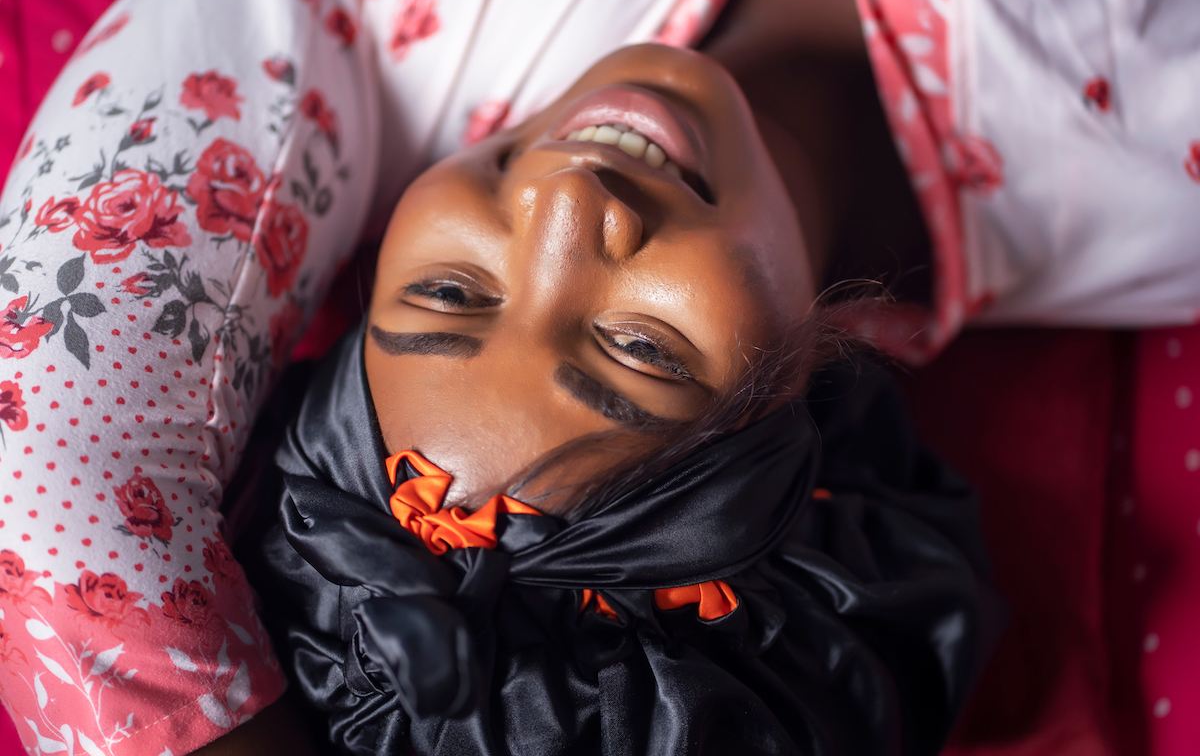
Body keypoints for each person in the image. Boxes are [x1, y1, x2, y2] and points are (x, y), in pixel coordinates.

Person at [251, 41, 1000, 755]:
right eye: (639, 347)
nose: (569, 196)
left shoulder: (408, 43)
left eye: (451, 293)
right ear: (787, 396)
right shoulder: (1094, 182)